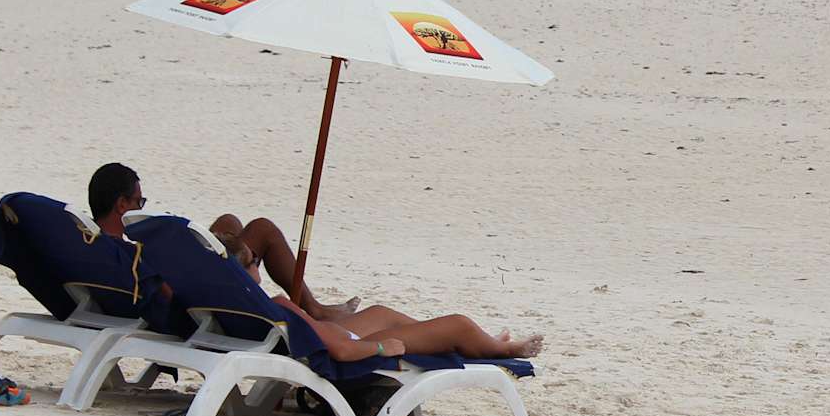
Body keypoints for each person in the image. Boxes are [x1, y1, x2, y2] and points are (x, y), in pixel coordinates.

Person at [86, 162, 538, 362]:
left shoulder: (115, 254)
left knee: (383, 313)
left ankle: (480, 341)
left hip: (254, 321)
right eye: (140, 200)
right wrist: (381, 349)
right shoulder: (273, 305)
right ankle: (492, 347)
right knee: (455, 324)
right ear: (123, 204)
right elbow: (342, 351)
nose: (143, 205)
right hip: (304, 336)